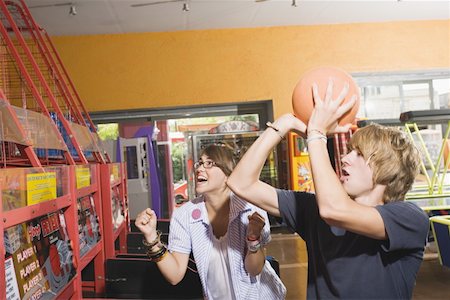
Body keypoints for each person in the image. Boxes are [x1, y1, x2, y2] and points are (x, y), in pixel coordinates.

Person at [227, 80, 429, 299]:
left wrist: (316, 135)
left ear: (389, 168)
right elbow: (240, 182)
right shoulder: (313, 209)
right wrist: (283, 125)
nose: (345, 158)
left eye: (359, 154)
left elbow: (334, 210)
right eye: (349, 150)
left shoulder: (409, 218)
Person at [135, 144, 286, 299]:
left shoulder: (250, 208)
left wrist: (253, 239)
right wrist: (152, 238)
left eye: (209, 163)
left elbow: (254, 269)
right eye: (199, 163)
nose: (200, 168)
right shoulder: (184, 215)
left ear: (228, 174)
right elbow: (175, 275)